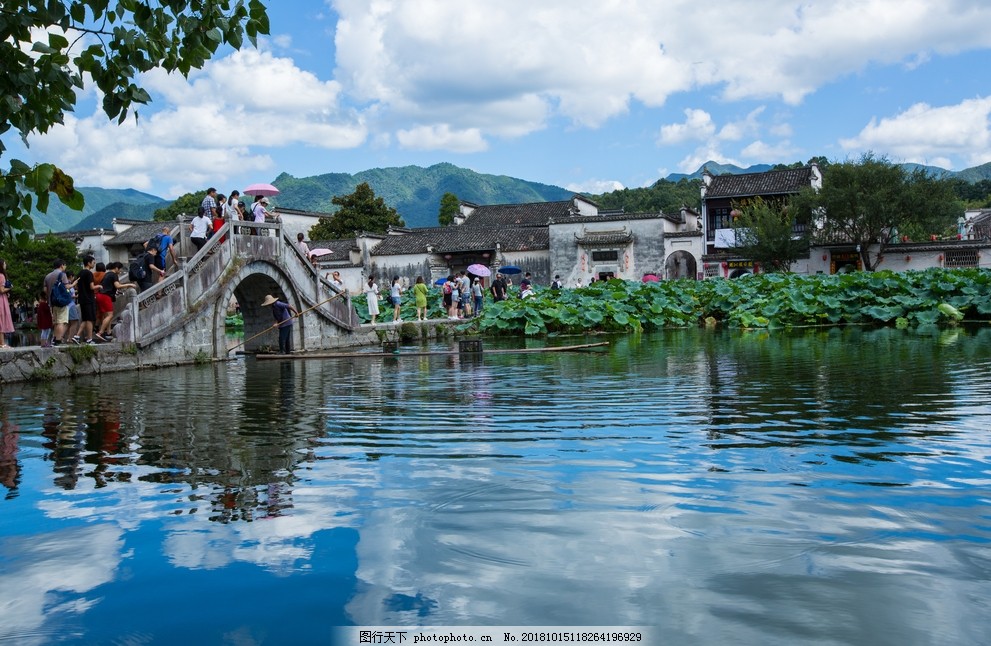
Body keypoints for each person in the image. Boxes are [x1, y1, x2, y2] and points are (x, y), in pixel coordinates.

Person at [98, 262, 136, 340]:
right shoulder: (113, 275)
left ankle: (108, 332)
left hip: (100, 295)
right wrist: (129, 285)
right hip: (106, 296)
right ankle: (100, 332)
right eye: (120, 269)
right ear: (116, 268)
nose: (120, 271)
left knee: (106, 315)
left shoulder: (107, 274)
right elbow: (118, 286)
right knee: (110, 315)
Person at [44, 259, 74, 345]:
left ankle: (55, 339)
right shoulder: (62, 274)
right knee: (62, 322)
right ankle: (58, 339)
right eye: (65, 265)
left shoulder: (48, 276)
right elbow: (66, 287)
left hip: (52, 302)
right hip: (62, 302)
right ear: (62, 265)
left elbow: (45, 290)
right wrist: (73, 284)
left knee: (57, 322)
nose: (65, 267)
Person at [72, 255, 99, 345]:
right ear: (89, 263)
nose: (94, 264)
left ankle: (77, 336)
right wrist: (99, 286)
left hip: (82, 298)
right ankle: (89, 339)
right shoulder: (89, 273)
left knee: (85, 319)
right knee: (90, 319)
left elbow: (76, 286)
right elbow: (92, 287)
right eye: (93, 262)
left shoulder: (80, 273)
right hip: (88, 298)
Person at [0, 259, 13, 348]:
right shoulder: (1, 276)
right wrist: (10, 288)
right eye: (4, 264)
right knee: (2, 319)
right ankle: (2, 343)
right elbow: (1, 290)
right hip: (1, 300)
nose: (5, 265)